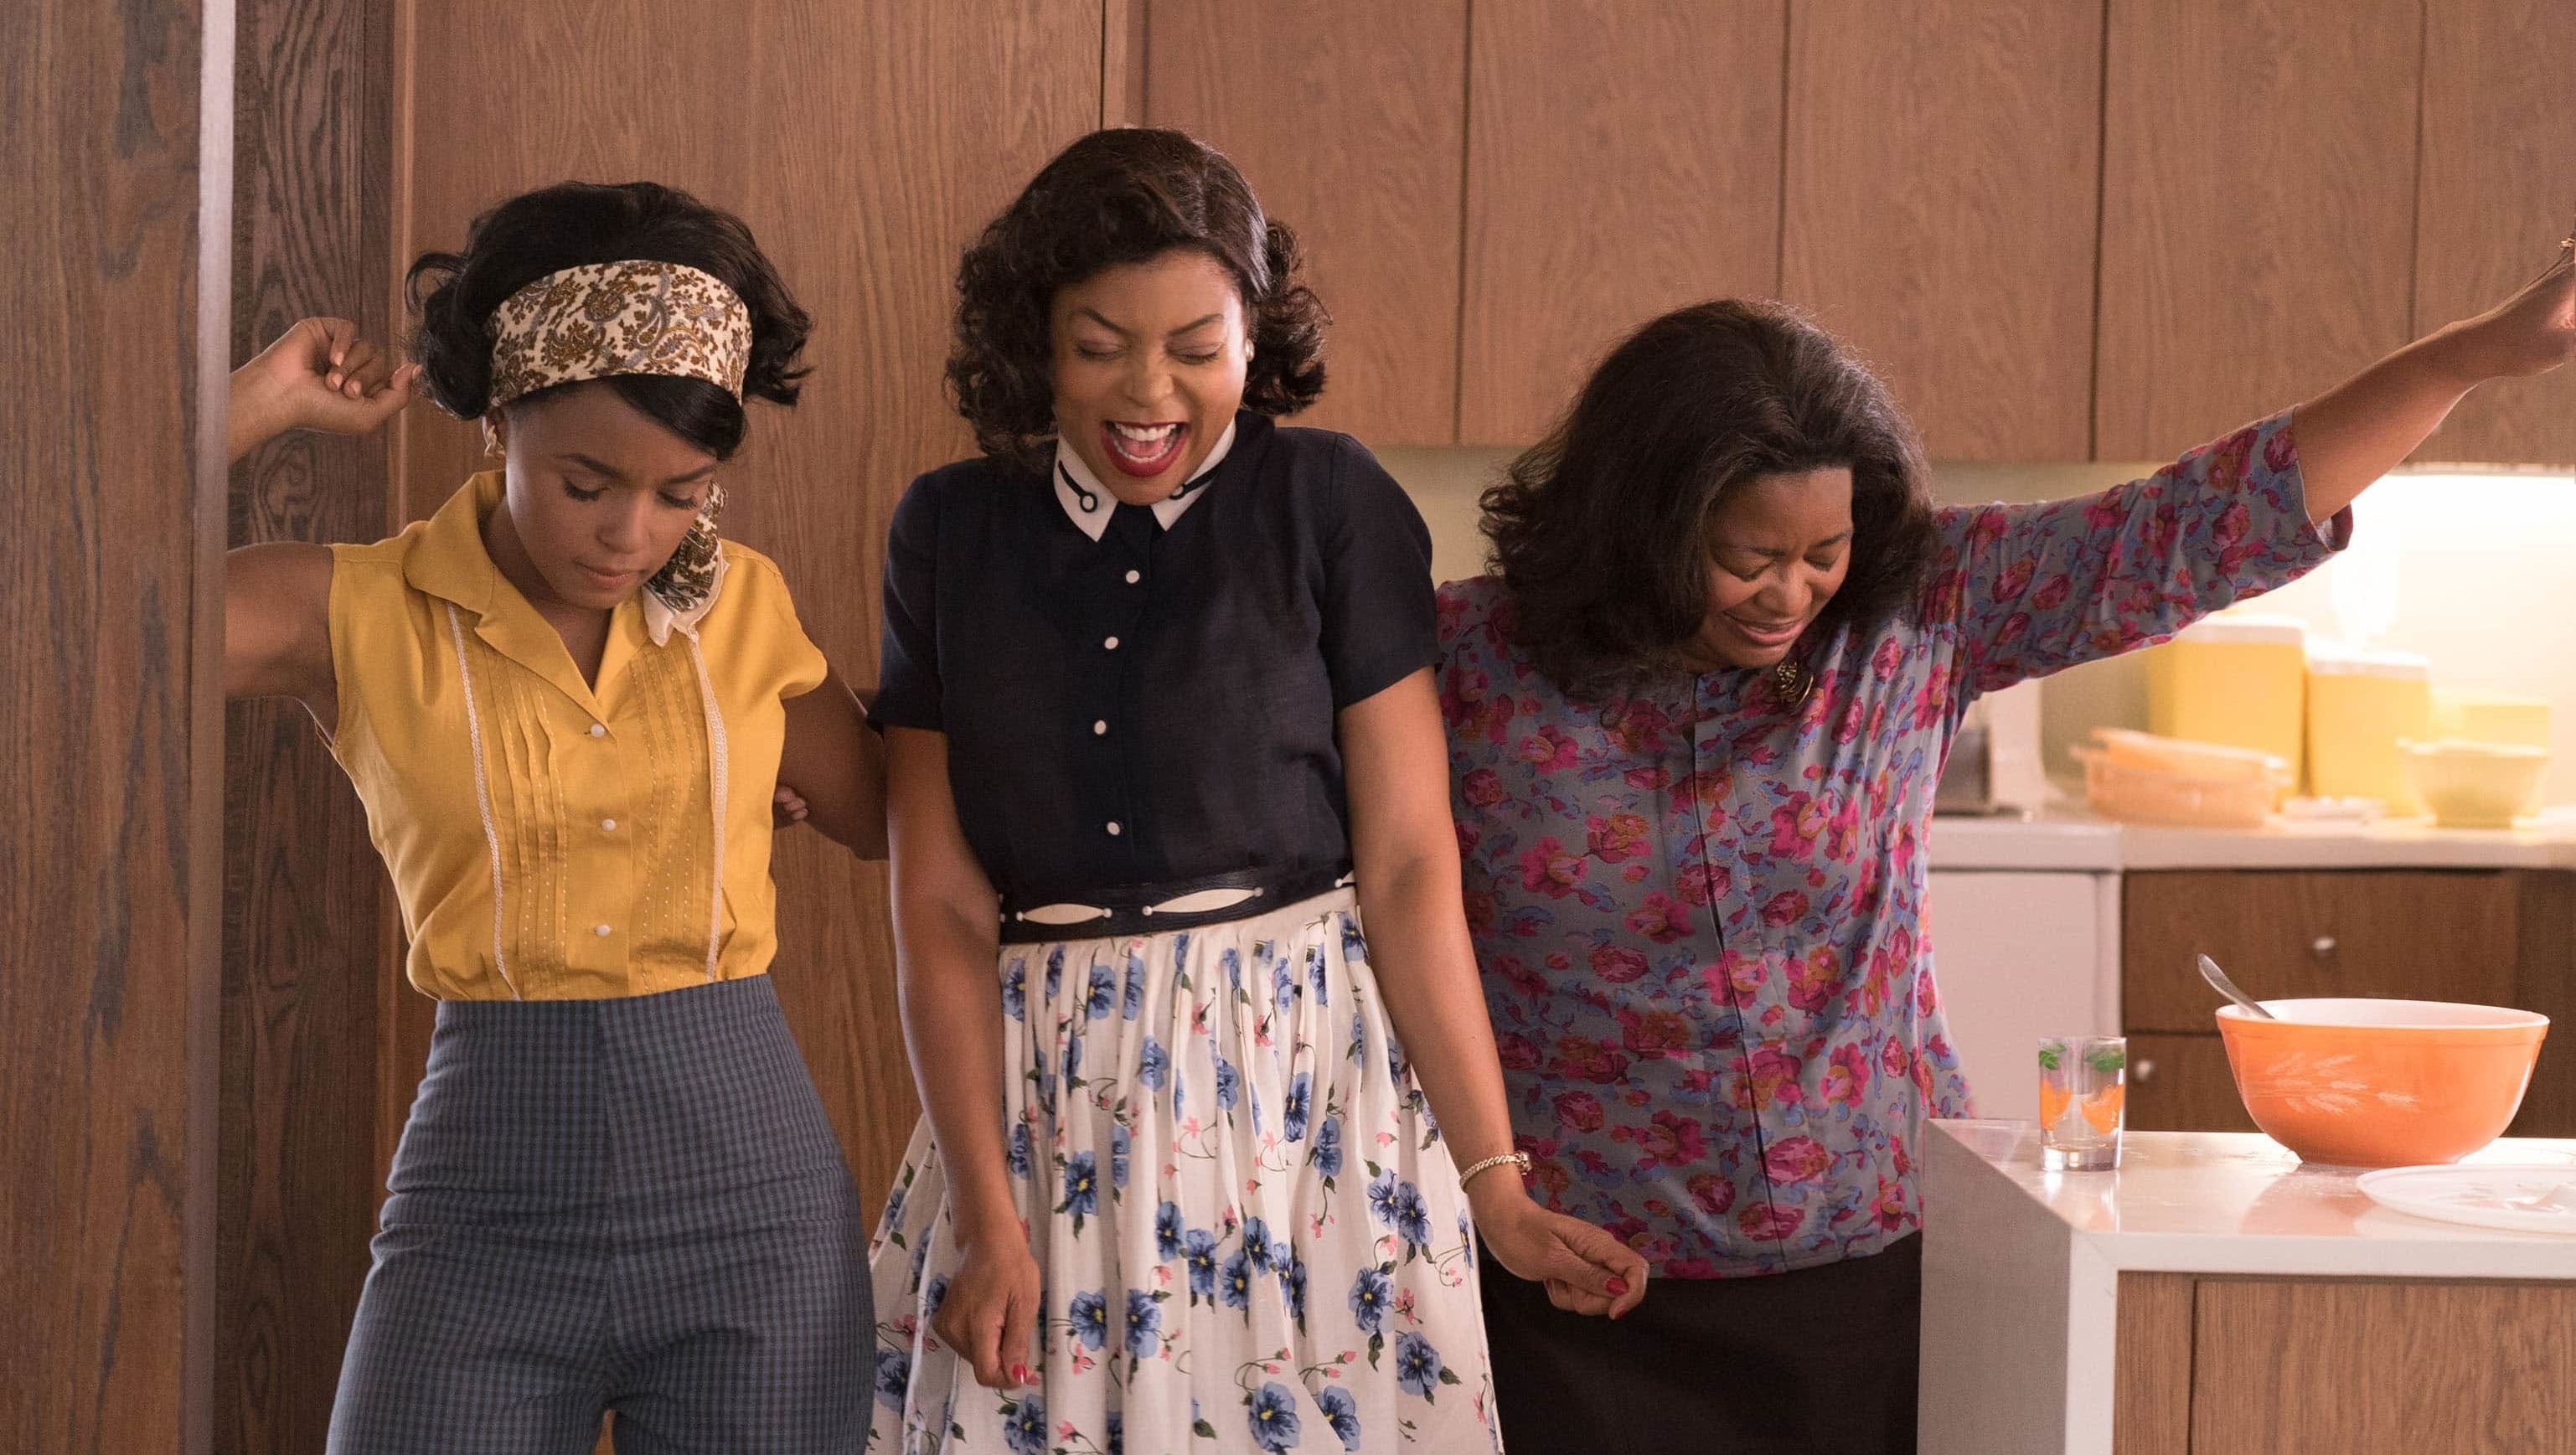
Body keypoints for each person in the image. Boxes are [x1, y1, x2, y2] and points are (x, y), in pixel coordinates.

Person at [1436, 235, 2576, 1453]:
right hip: (1578, 1278)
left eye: (1823, 553)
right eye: (1747, 557)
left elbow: (2197, 522)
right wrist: (1486, 1181)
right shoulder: (1469, 663)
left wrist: (2478, 354)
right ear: (1642, 525)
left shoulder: (1920, 608)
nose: (1792, 592)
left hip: (1875, 1264)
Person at [865, 127, 1646, 1455]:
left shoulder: (1329, 500)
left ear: (1254, 335)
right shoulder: (947, 529)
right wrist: (991, 1219)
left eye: (1197, 345)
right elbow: (938, 901)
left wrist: (1496, 1186)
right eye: (1098, 343)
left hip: (1306, 1102)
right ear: (1031, 344)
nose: (1148, 391)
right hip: (1042, 1109)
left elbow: (1404, 865)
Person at [222, 179, 885, 1455]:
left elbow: (898, 824)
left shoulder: (747, 608)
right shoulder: (357, 611)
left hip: (759, 1219)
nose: (631, 532)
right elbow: (79, 589)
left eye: (683, 493)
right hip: (483, 1211)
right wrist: (254, 401)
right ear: (501, 414)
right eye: (587, 481)